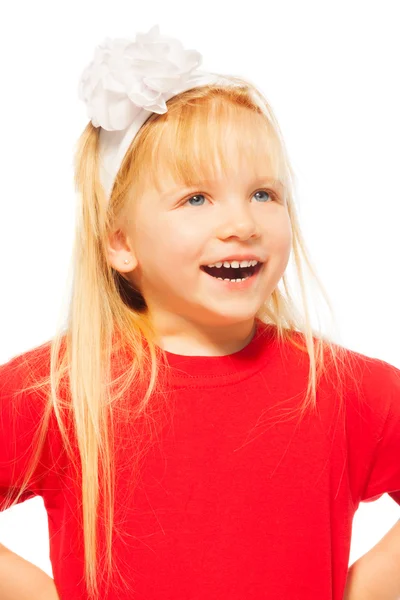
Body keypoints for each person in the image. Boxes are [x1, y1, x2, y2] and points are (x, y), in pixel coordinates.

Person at [0, 24, 399, 600]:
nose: (242, 223)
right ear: (121, 243)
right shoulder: (65, 390)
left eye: (264, 193)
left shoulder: (338, 388)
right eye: (196, 198)